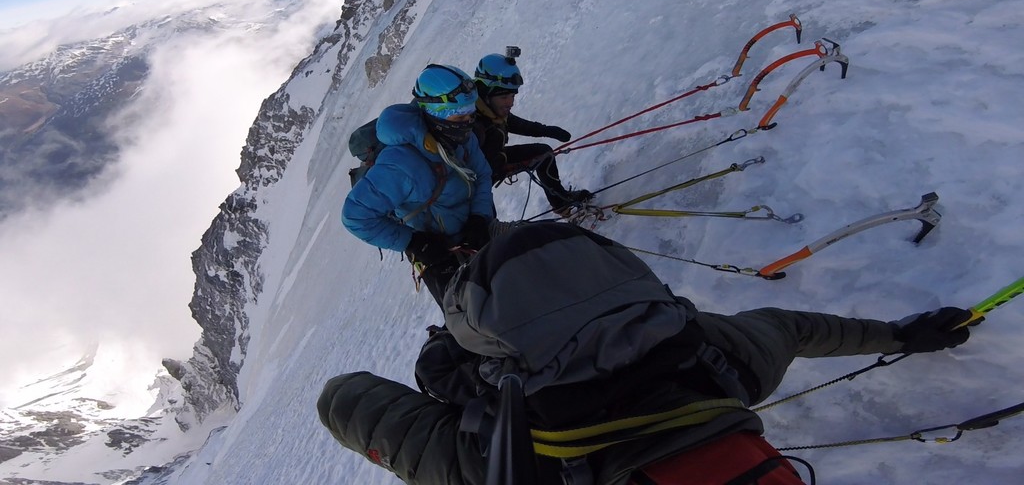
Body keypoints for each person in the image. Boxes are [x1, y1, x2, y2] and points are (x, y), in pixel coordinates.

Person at [318, 223, 972, 484]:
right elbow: (797, 326)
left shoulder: (731, 361)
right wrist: (902, 332)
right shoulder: (718, 353)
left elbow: (341, 399)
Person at [341, 64, 496, 308]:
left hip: (475, 231)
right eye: (460, 116)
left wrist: (480, 216)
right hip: (439, 253)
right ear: (437, 114)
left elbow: (483, 174)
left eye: (470, 113)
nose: (469, 121)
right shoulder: (401, 163)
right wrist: (413, 243)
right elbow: (355, 216)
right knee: (470, 317)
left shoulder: (459, 137)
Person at [473, 50, 593, 215]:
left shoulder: (489, 109)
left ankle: (561, 203)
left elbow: (515, 123)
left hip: (497, 159)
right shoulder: (472, 124)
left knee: (544, 154)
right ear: (485, 94)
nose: (510, 103)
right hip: (478, 179)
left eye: (512, 96)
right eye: (504, 97)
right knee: (486, 224)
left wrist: (546, 130)